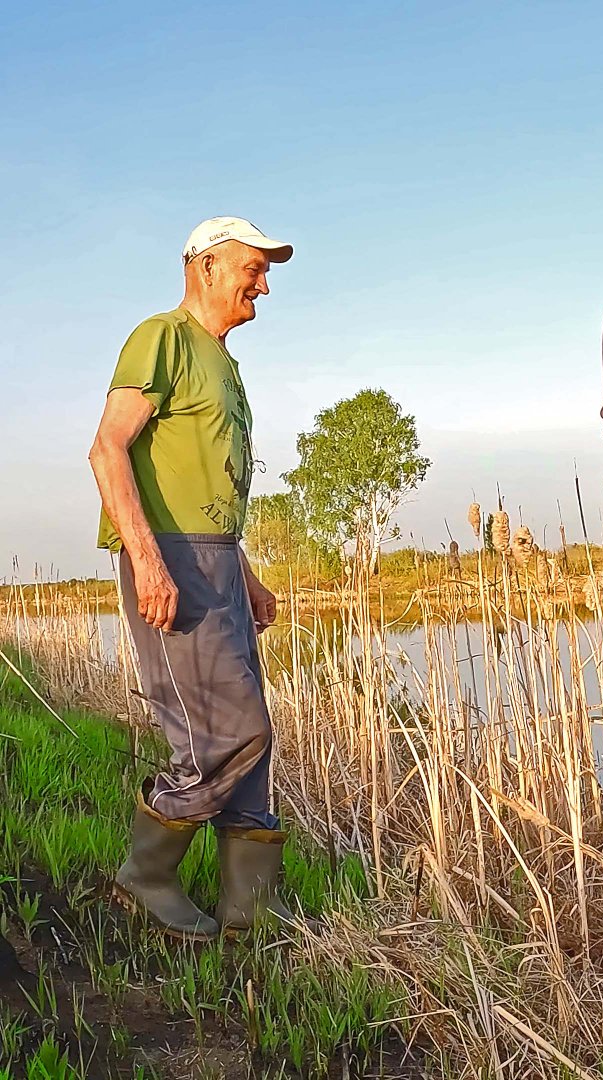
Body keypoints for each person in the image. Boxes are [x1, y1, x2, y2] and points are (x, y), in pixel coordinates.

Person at [88, 216, 297, 940]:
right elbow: (108, 450)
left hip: (217, 560)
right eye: (253, 268)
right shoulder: (163, 338)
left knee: (254, 744)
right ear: (207, 267)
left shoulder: (224, 363)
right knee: (225, 735)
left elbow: (205, 487)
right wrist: (147, 559)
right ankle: (146, 874)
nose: (263, 285)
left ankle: (249, 915)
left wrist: (246, 572)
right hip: (173, 562)